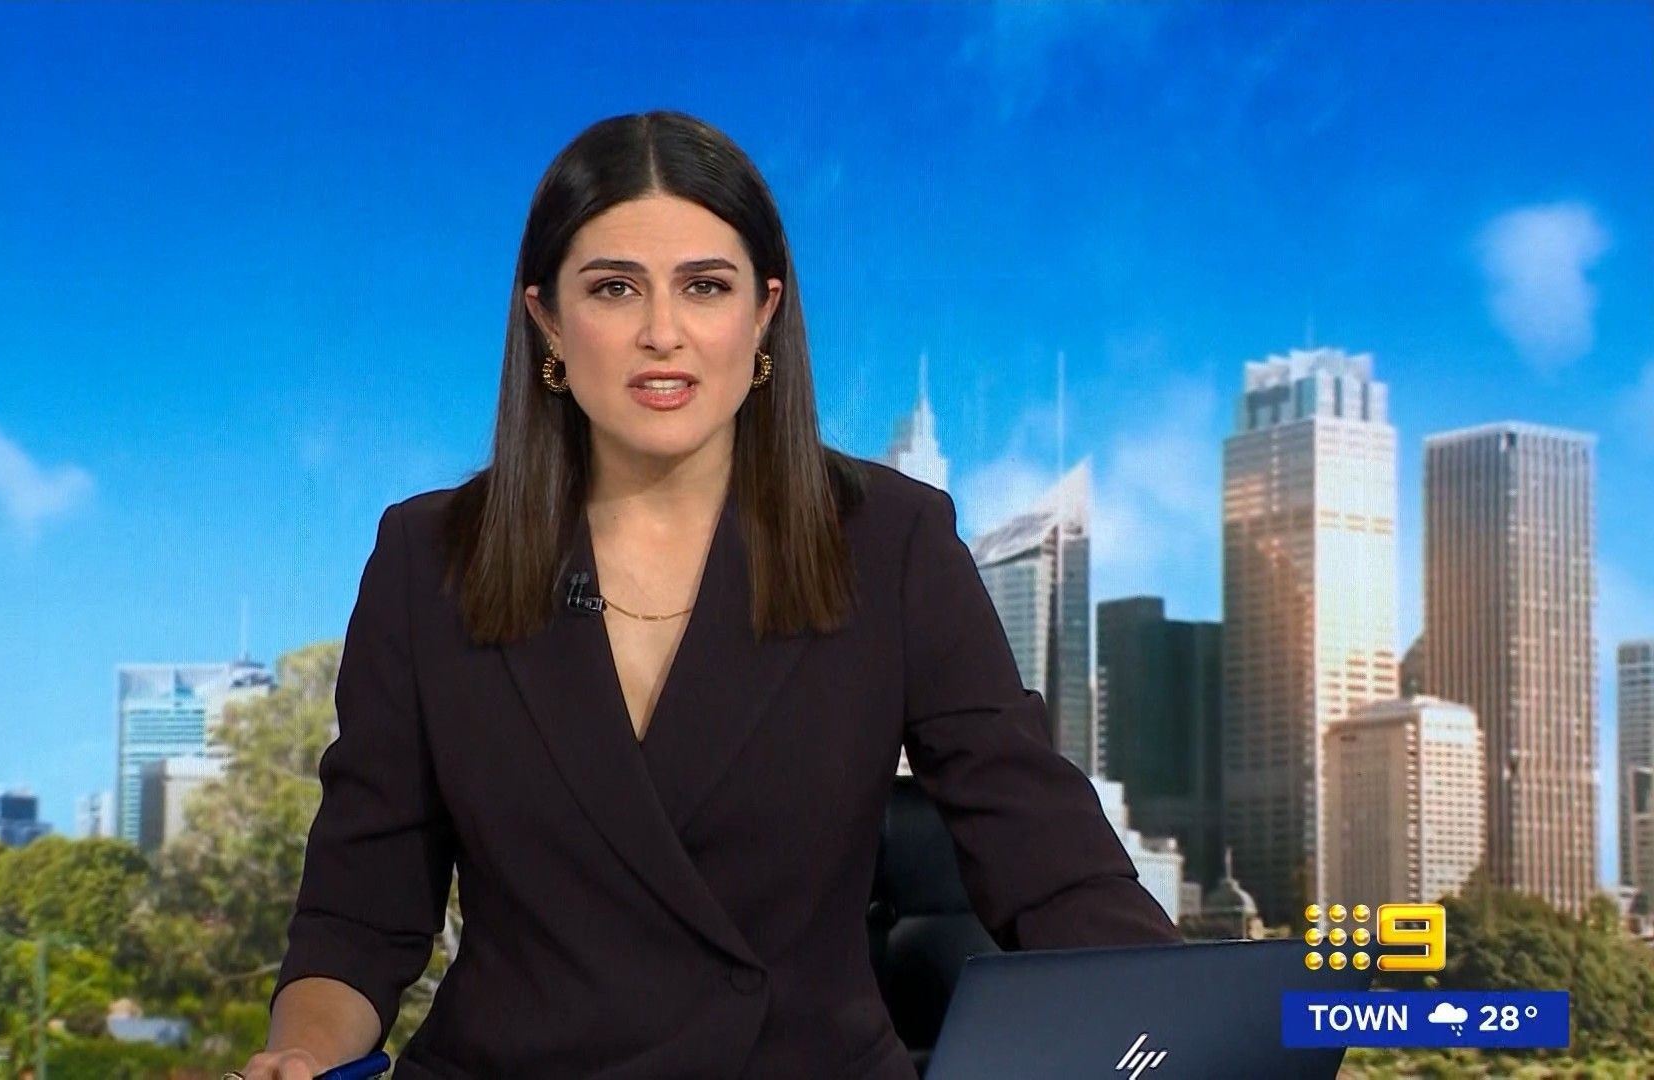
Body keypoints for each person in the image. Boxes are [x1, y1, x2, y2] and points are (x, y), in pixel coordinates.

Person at [234, 111, 1179, 1080]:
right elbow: (357, 920)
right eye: (614, 288)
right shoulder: (428, 559)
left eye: (705, 286)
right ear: (547, 321)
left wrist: (1189, 1031)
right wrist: (299, 1057)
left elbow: (1049, 864)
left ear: (763, 314)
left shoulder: (891, 542)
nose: (663, 333)